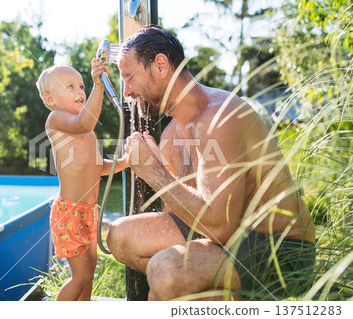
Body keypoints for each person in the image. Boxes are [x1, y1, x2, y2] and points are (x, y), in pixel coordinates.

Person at [106, 25, 316, 301]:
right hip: (228, 239)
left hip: (279, 248)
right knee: (119, 236)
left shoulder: (220, 117)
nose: (127, 92)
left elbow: (219, 227)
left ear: (160, 65)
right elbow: (184, 215)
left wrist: (154, 173)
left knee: (167, 271)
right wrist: (162, 169)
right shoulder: (172, 134)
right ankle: (202, 293)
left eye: (129, 78)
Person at [36, 60, 128, 301]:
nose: (79, 91)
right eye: (70, 87)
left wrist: (127, 161)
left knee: (89, 275)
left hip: (88, 211)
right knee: (80, 276)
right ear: (50, 100)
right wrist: (98, 86)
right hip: (70, 212)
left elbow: (98, 168)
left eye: (81, 86)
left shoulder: (86, 131)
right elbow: (84, 121)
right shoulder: (57, 120)